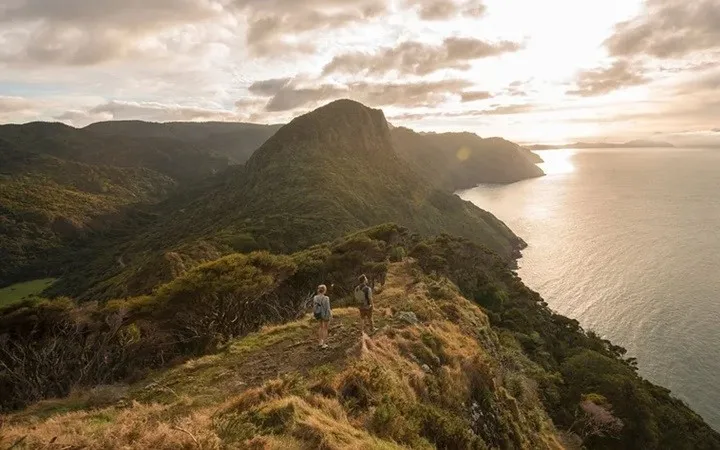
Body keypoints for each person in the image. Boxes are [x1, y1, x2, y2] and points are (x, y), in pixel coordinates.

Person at [313, 284, 331, 349]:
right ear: (324, 290)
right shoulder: (326, 298)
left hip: (318, 313)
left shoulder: (315, 297)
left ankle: (320, 342)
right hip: (325, 314)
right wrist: (329, 316)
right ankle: (324, 344)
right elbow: (328, 308)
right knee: (325, 328)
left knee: (320, 327)